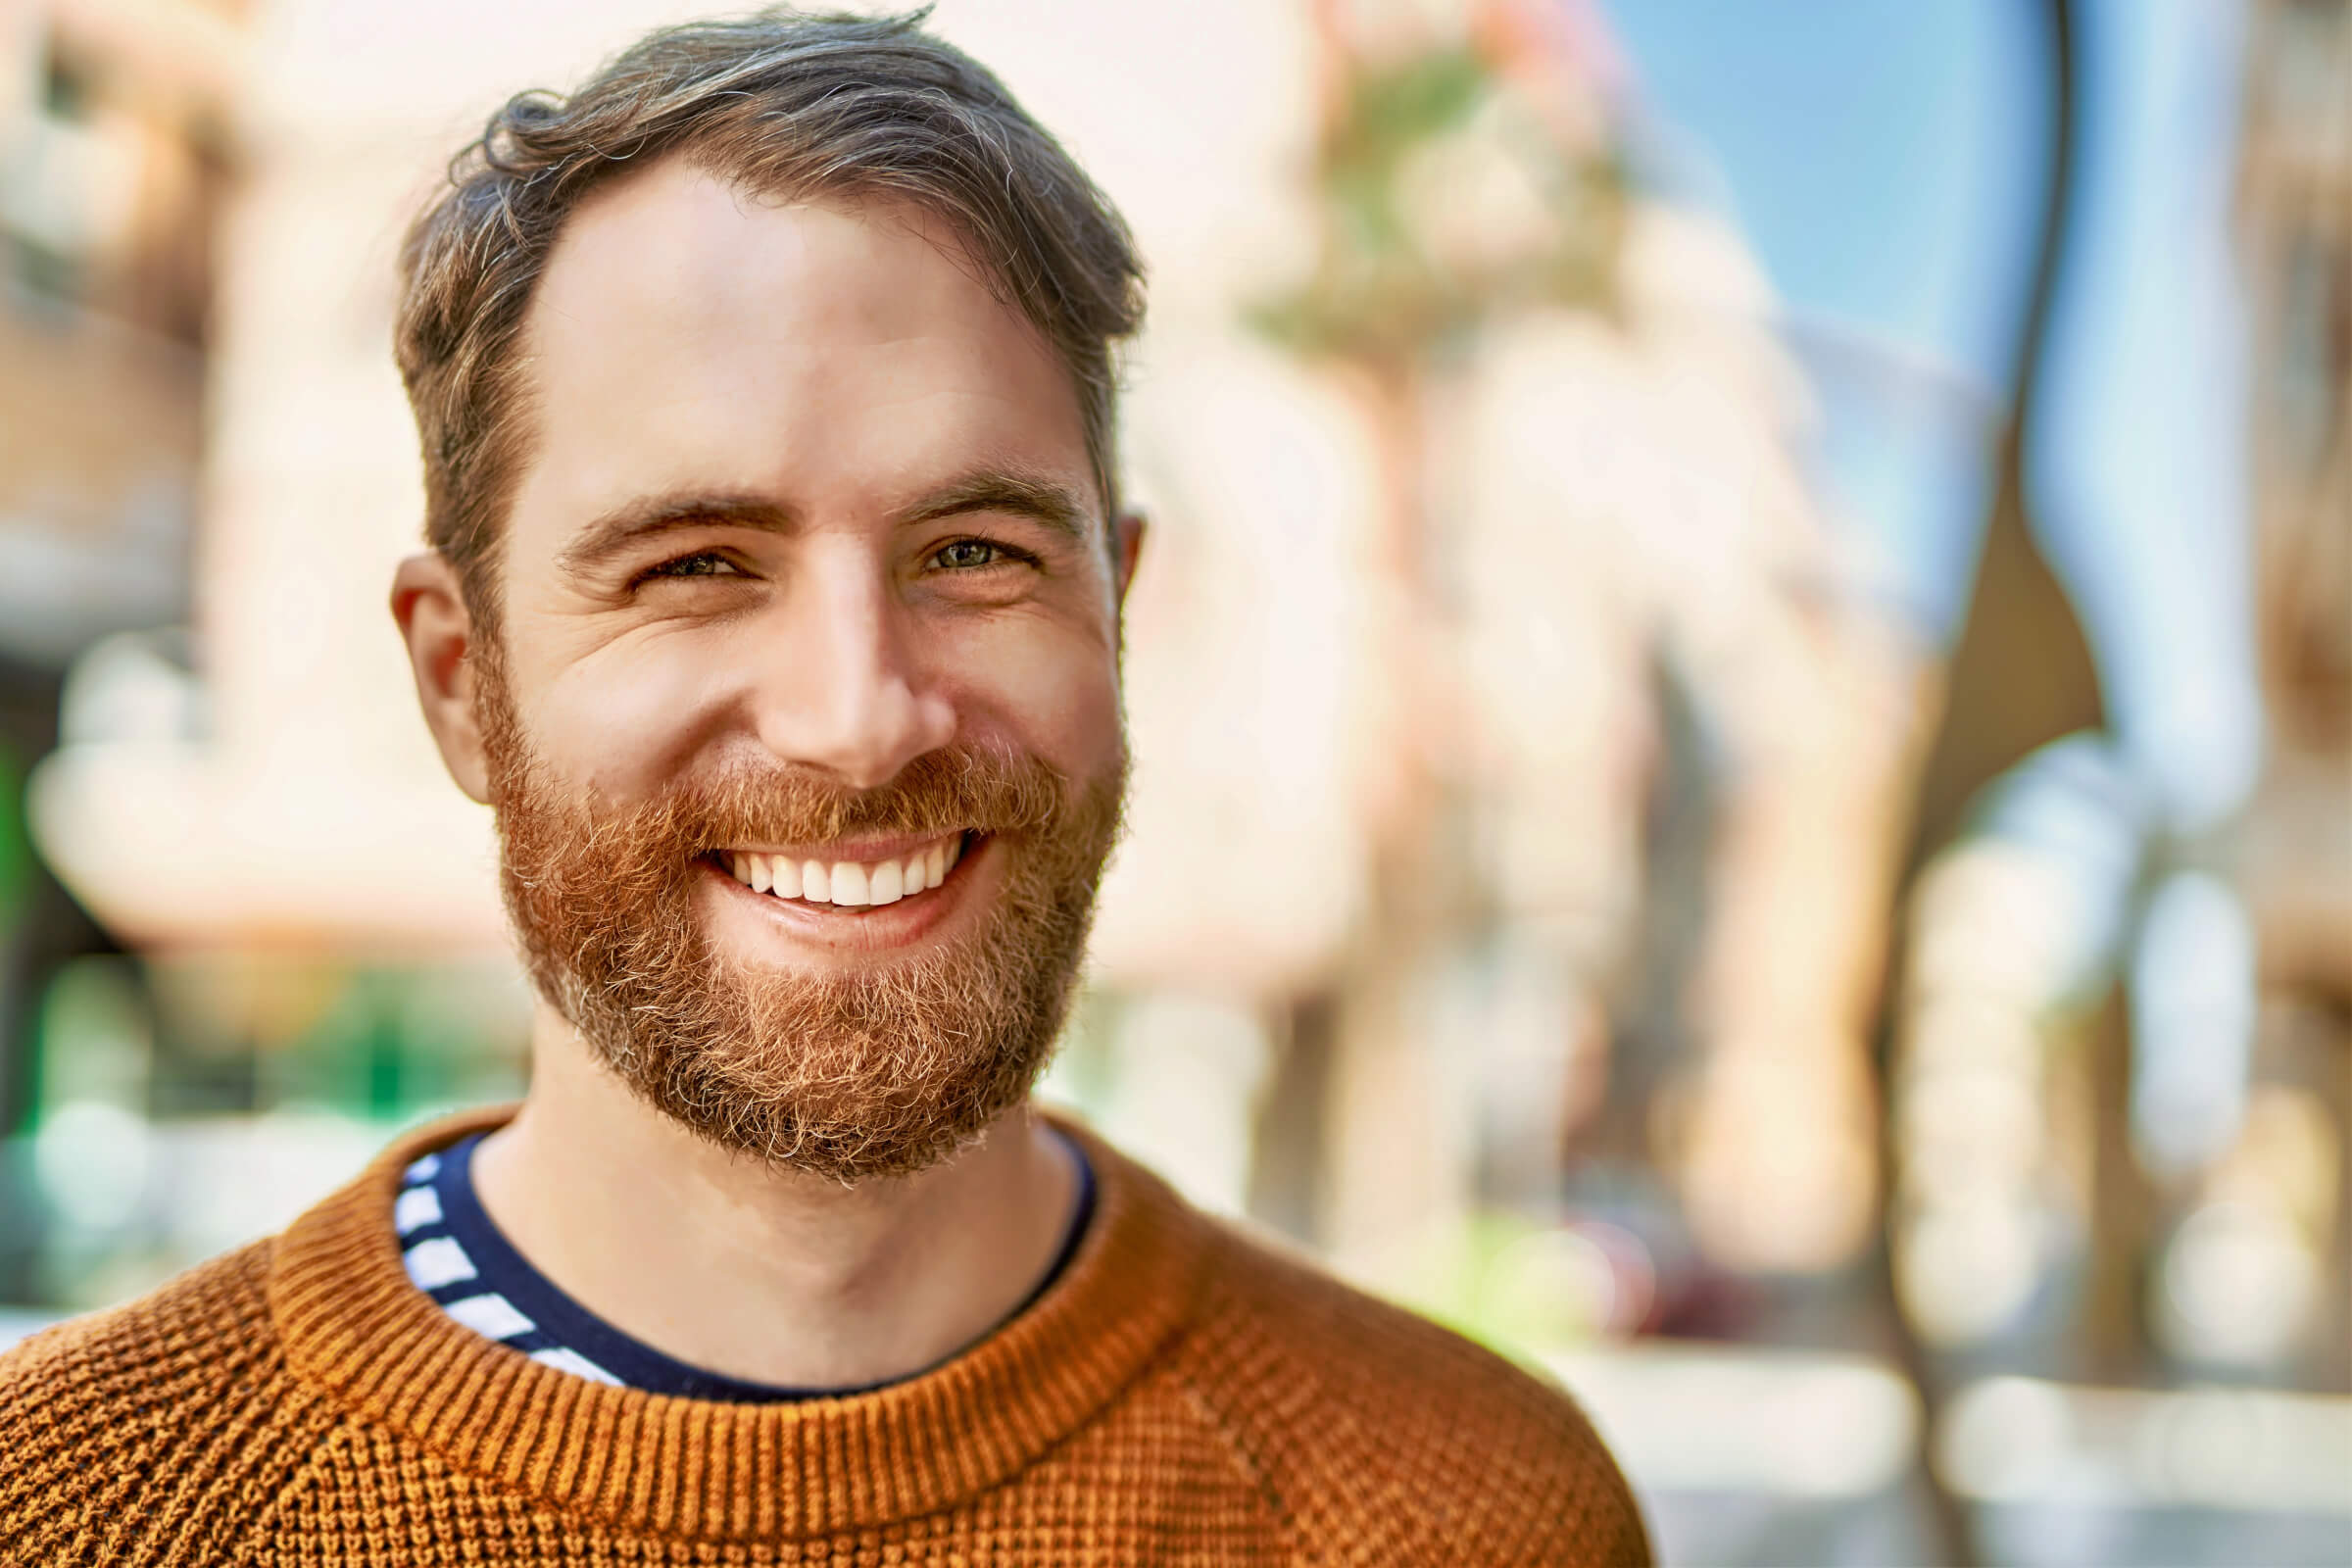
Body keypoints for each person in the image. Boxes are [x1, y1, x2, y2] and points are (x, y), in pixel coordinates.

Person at [0, 10, 1647, 1562]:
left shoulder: (1470, 1511)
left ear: (1118, 615)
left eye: (976, 554)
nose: (860, 718)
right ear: (460, 682)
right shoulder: (72, 1510)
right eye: (698, 563)